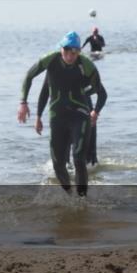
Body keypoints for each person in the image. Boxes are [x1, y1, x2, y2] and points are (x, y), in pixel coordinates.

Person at [17, 31, 108, 197]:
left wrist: (93, 109)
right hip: (57, 117)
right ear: (61, 49)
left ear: (79, 51)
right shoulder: (51, 60)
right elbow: (29, 76)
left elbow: (100, 91)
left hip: (80, 115)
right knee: (58, 165)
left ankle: (81, 199)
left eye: (75, 51)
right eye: (67, 50)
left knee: (79, 159)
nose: (70, 55)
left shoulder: (86, 65)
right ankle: (69, 194)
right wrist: (24, 103)